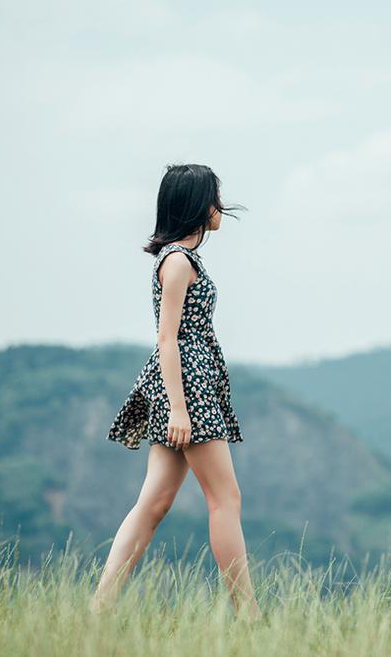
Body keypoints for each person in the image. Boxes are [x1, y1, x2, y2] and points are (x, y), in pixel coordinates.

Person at [92, 163, 259, 621]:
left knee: (154, 503)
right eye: (214, 197)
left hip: (186, 384)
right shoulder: (179, 261)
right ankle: (249, 616)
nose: (219, 206)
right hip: (187, 388)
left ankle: (99, 610)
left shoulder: (178, 258)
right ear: (197, 205)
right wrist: (180, 409)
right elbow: (167, 338)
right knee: (225, 499)